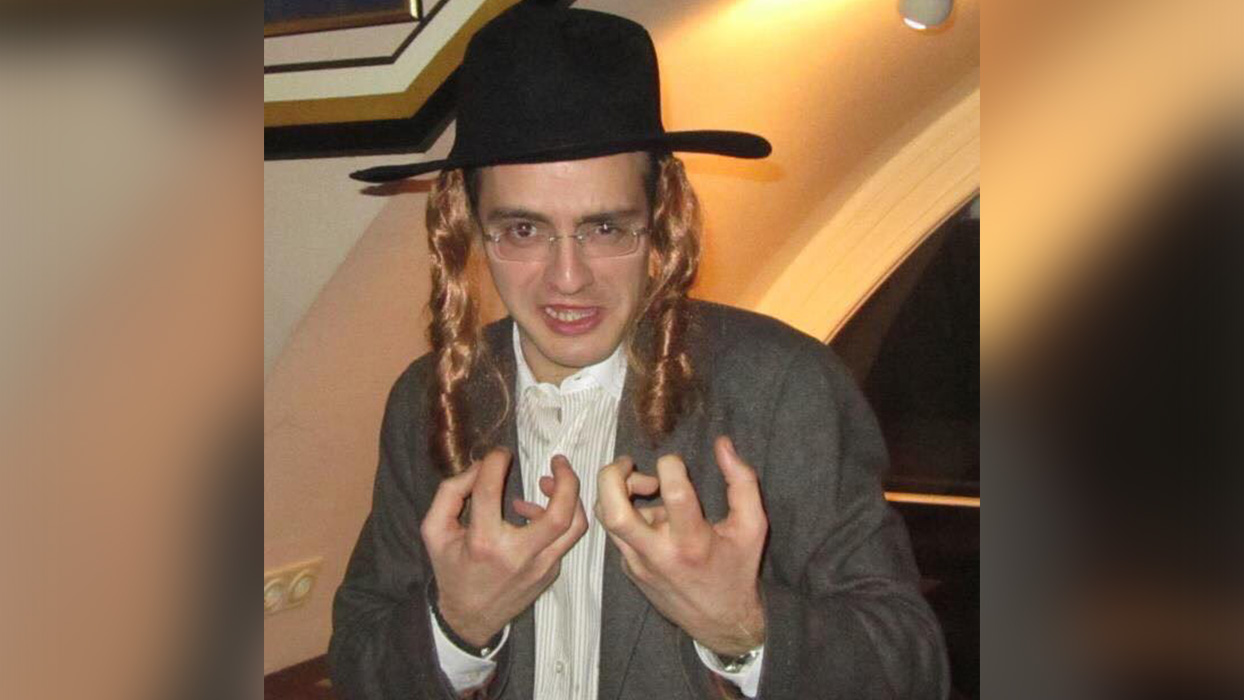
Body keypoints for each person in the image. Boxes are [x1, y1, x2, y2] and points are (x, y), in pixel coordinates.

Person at [329, 4, 948, 699]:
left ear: (659, 220)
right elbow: (359, 659)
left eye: (605, 228)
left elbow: (912, 671)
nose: (568, 278)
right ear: (470, 224)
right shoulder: (432, 395)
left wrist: (743, 627)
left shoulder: (782, 386)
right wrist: (457, 626)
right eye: (524, 229)